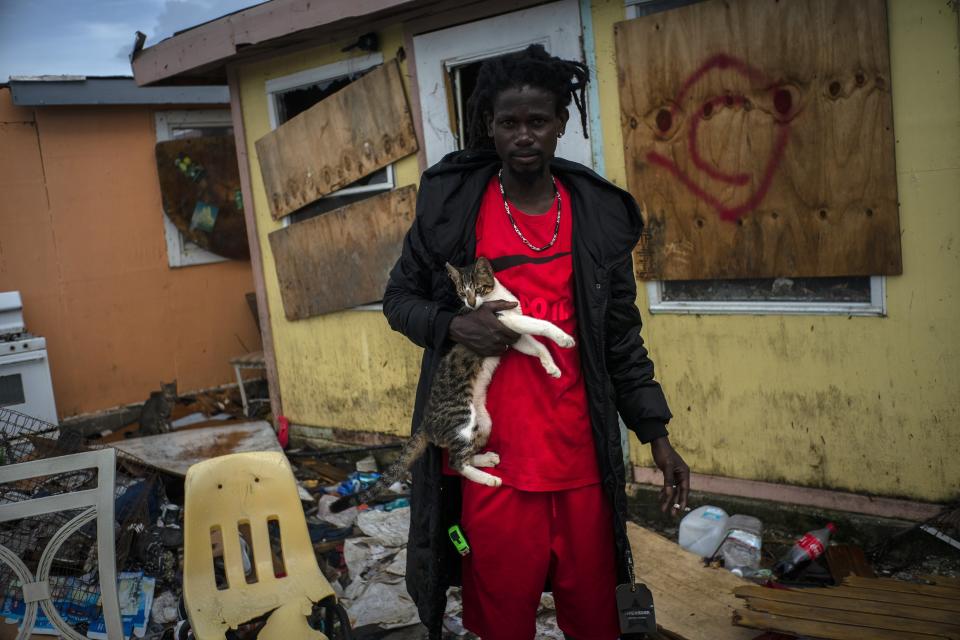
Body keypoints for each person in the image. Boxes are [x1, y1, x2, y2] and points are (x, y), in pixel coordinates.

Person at [382, 44, 690, 640]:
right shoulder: (455, 210)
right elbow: (399, 300)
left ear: (560, 126)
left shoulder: (594, 217)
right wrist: (453, 325)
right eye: (509, 123)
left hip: (581, 464)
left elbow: (620, 339)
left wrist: (657, 434)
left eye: (538, 121)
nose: (524, 135)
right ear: (490, 128)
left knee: (595, 619)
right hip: (495, 472)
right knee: (503, 621)